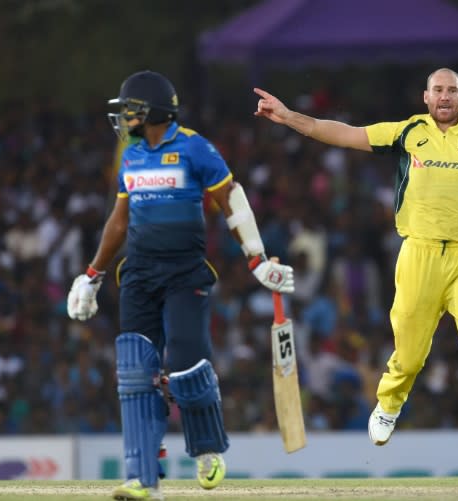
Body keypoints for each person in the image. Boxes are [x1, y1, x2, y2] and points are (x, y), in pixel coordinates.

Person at [254, 67, 458, 485]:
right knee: (409, 354)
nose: (444, 97)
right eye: (437, 90)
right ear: (425, 96)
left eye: (452, 91)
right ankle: (389, 401)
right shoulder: (408, 132)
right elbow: (344, 133)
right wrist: (291, 116)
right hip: (419, 253)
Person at [67, 70, 294, 501]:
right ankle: (143, 478)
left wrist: (257, 260)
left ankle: (207, 447)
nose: (124, 118)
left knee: (187, 363)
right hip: (138, 274)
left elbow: (233, 201)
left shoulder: (194, 147)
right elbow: (120, 221)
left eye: (130, 109)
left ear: (150, 110)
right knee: (137, 372)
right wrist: (92, 275)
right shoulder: (130, 156)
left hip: (184, 272)